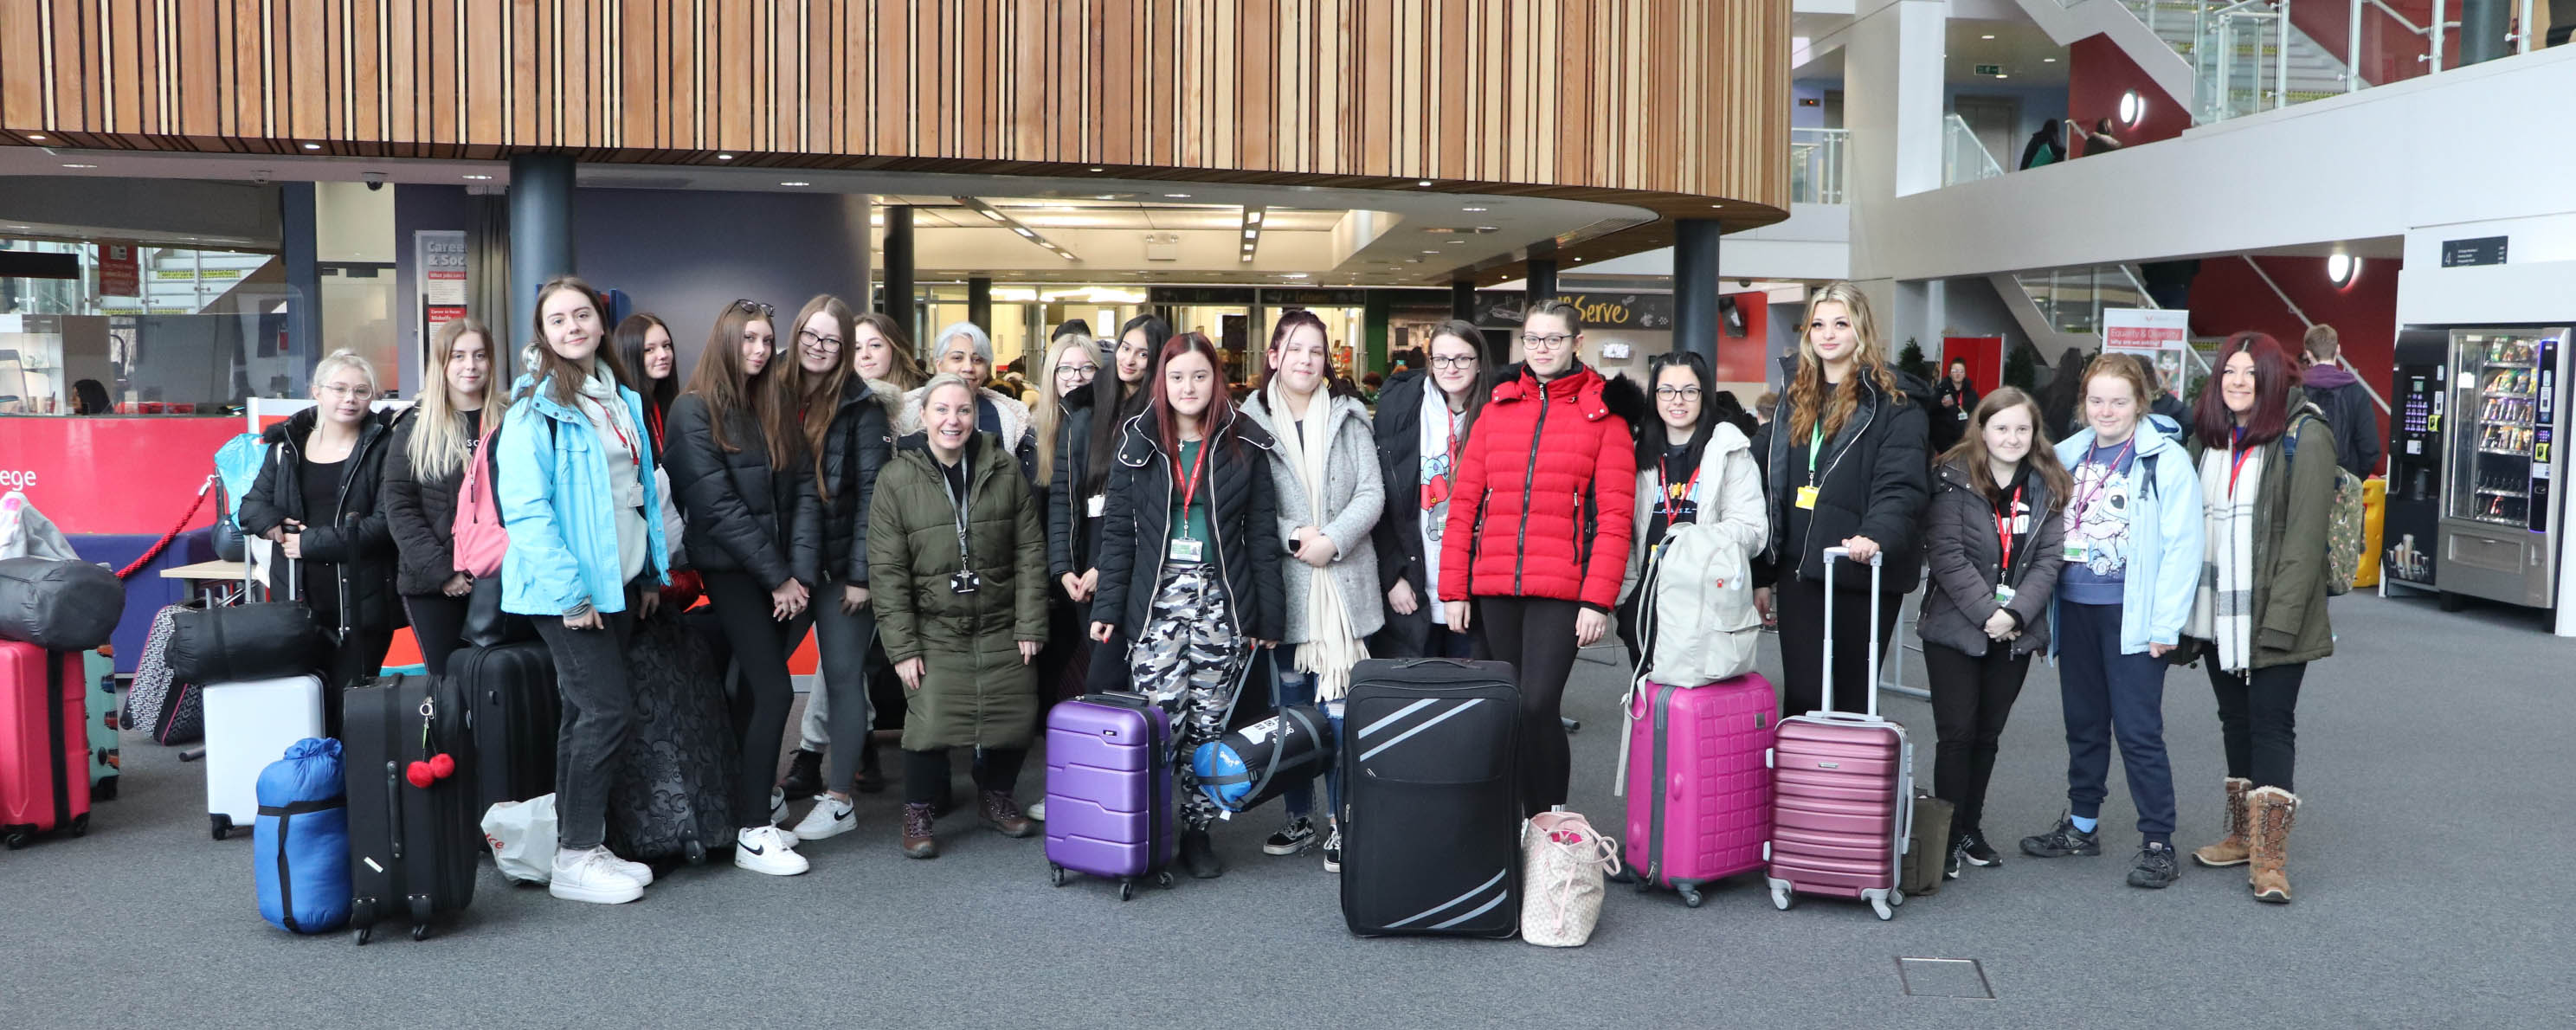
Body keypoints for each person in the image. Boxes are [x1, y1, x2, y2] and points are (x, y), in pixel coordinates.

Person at [494, 274, 670, 904]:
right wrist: (573, 594)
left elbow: (639, 493)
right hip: (569, 594)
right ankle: (574, 859)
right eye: (557, 320)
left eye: (581, 316)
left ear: (600, 322)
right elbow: (527, 512)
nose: (572, 327)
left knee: (582, 713)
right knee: (605, 711)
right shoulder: (534, 409)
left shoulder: (616, 397)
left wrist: (650, 571)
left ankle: (580, 843)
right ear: (543, 335)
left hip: (616, 585)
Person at [1091, 332, 1283, 879]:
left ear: (1216, 380)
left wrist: (1267, 617)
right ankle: (1155, 830)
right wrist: (1107, 608)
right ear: (1162, 382)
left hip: (1220, 598)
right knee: (1161, 723)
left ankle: (1199, 833)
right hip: (1155, 601)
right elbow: (1118, 538)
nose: (1188, 387)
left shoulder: (1245, 441)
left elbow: (1263, 539)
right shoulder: (1137, 442)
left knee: (1209, 724)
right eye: (1177, 377)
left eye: (1200, 376)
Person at [1439, 300, 1640, 817]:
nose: (1543, 349)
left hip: (1564, 590)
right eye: (1533, 339)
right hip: (1495, 584)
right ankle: (1508, 825)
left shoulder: (1604, 415)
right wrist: (1454, 588)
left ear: (1576, 343)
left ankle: (1549, 825)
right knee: (1506, 707)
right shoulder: (1498, 408)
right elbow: (1463, 504)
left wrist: (1599, 601)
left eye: (1554, 339)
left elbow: (1617, 520)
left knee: (1537, 704)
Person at [2019, 352, 2203, 891]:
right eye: (2096, 400)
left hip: (2134, 615)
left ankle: (2157, 842)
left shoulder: (2164, 460)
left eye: (2119, 401)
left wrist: (2166, 624)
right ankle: (2081, 827)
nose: (2106, 410)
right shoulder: (2067, 454)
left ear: (2139, 403)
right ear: (2083, 403)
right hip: (2074, 606)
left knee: (2139, 731)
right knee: (2083, 723)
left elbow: (2183, 547)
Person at [665, 298, 821, 877]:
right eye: (748, 339)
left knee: (751, 692)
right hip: (732, 573)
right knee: (776, 691)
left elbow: (805, 489)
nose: (759, 350)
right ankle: (754, 832)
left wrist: (799, 574)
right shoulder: (692, 410)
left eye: (765, 340)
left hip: (784, 577)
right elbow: (716, 507)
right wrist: (778, 575)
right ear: (726, 342)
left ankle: (737, 807)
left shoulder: (773, 403)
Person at [868, 374, 1049, 859]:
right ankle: (919, 810)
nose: (953, 420)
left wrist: (1030, 623)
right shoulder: (896, 479)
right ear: (922, 416)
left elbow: (1031, 551)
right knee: (928, 721)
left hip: (1000, 618)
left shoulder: (1004, 469)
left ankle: (995, 797)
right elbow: (886, 572)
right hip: (934, 625)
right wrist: (903, 647)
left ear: (976, 415)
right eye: (942, 410)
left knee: (1013, 713)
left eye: (964, 410)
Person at [2186, 332, 2336, 904]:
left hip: (2278, 615)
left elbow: (2303, 542)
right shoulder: (2212, 440)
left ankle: (2270, 859)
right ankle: (2241, 835)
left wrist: (2278, 623)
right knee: (2235, 721)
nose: (2239, 381)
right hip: (2219, 611)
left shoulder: (2305, 435)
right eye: (2230, 370)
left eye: (2251, 372)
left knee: (2271, 724)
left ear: (2274, 377)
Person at [1241, 310, 1386, 871]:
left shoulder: (1350, 417)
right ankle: (1297, 818)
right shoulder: (1246, 424)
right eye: (1295, 348)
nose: (1306, 359)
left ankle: (1339, 821)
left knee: (1342, 715)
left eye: (1316, 351)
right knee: (1293, 713)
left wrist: (1334, 539)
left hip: (1345, 590)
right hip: (1287, 590)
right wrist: (1293, 537)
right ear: (1274, 356)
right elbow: (1247, 506)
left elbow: (1371, 494)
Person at [1752, 282, 1931, 718]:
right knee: (1804, 697)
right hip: (1799, 572)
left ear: (1861, 330)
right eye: (1817, 324)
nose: (1827, 334)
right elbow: (1760, 479)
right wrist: (1761, 572)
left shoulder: (1895, 403)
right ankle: (1803, 786)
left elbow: (1901, 483)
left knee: (1851, 700)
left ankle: (1843, 787)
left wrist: (1875, 533)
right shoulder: (1793, 399)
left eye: (1840, 323)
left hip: (1860, 569)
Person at [1920, 387, 2071, 879]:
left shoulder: (2047, 483)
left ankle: (1969, 828)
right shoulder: (1951, 476)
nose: (2012, 437)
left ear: (2035, 434)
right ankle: (1942, 837)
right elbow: (1945, 553)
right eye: (2001, 427)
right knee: (1957, 734)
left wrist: (2016, 615)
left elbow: (2049, 559)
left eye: (2022, 428)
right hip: (1956, 626)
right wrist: (1989, 613)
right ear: (1981, 429)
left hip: (2016, 631)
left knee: (1988, 735)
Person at [782, 311, 931, 802]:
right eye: (811, 335)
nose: (821, 346)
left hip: (842, 565)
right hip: (780, 566)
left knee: (843, 676)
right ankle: (758, 790)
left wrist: (862, 575)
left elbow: (872, 495)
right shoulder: (772, 398)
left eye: (834, 339)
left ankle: (839, 795)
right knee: (760, 680)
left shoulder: (866, 408)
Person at [239, 348, 403, 734]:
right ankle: (312, 790)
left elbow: (385, 525)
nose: (350, 399)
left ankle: (352, 792)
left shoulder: (385, 448)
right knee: (301, 710)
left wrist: (310, 543)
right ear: (317, 392)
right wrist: (272, 523)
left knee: (349, 711)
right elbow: (250, 507)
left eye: (362, 391)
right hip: (297, 603)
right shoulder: (286, 448)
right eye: (340, 388)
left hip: (361, 607)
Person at [1615, 350, 1764, 671]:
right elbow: (1621, 528)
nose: (1677, 400)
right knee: (1647, 701)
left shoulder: (1729, 450)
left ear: (1704, 395)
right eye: (1666, 391)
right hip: (1645, 600)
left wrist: (1693, 539)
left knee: (1693, 709)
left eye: (1689, 391)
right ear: (1654, 396)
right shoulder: (1635, 451)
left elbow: (1752, 532)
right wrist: (1626, 597)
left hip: (1704, 601)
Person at [1060, 315, 1170, 694]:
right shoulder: (1087, 406)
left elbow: (1149, 508)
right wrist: (1064, 567)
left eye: (1143, 354)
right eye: (1125, 348)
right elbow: (1065, 492)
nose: (1130, 359)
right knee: (1097, 664)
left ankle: (1121, 748)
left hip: (1129, 552)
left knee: (1107, 678)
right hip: (1085, 545)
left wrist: (1102, 570)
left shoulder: (1161, 415)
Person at [1369, 319, 1490, 661]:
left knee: (1469, 693)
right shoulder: (1400, 411)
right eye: (1441, 359)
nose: (1451, 368)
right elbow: (1381, 498)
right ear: (1430, 362)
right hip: (1412, 581)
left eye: (1462, 359)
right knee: (1416, 695)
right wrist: (1392, 575)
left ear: (1479, 362)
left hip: (1475, 583)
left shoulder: (1497, 413)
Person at [380, 318, 493, 678]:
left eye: (479, 355)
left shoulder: (510, 419)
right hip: (434, 586)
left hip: (500, 580)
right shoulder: (414, 426)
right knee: (450, 690)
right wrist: (444, 572)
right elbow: (399, 506)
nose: (470, 365)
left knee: (499, 686)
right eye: (458, 356)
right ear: (441, 365)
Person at [908, 322, 1038, 481]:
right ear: (939, 365)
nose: (968, 367)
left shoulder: (1010, 416)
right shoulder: (905, 412)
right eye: (957, 358)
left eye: (977, 360)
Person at [2297, 325, 2380, 479]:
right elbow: (2370, 448)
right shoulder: (2357, 392)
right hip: (2345, 485)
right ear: (2338, 350)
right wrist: (2353, 479)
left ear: (2308, 354)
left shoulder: (2296, 391)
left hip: (2302, 481)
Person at [611, 313, 679, 454]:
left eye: (666, 346)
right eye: (649, 349)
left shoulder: (665, 399)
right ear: (629, 354)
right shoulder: (620, 409)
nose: (663, 355)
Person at [1932, 357, 1979, 455]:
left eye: (1961, 371)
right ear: (1950, 373)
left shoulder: (1971, 393)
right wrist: (1941, 405)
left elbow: (1976, 413)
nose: (1958, 374)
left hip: (1964, 440)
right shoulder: (1941, 390)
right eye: (1955, 371)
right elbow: (1931, 410)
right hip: (1944, 441)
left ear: (1965, 374)